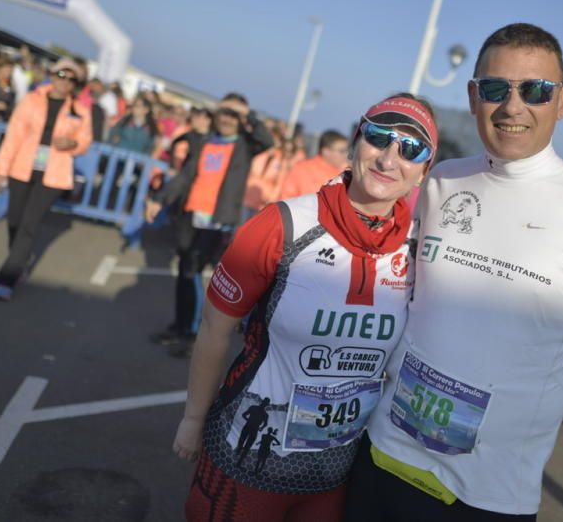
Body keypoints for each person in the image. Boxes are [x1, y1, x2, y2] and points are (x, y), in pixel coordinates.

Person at [345, 23, 563, 521]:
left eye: (536, 91)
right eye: (496, 88)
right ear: (475, 97)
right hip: (381, 458)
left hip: (486, 496)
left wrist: (542, 410)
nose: (513, 107)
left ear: (562, 102)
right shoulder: (442, 181)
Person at [172, 94, 439, 522]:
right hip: (248, 460)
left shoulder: (418, 249)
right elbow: (214, 329)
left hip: (334, 473)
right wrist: (192, 418)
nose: (390, 158)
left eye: (411, 149)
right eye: (379, 138)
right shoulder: (283, 224)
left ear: (424, 170)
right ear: (356, 144)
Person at [144, 93, 273, 358]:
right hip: (191, 215)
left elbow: (266, 140)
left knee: (193, 271)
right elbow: (185, 176)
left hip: (216, 222)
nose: (227, 119)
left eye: (233, 115)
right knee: (183, 271)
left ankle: (194, 335)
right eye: (224, 112)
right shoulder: (205, 142)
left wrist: (246, 114)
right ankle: (179, 327)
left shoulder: (245, 145)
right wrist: (159, 199)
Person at [0, 58, 92, 301]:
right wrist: (0, 170)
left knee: (29, 225)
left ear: (75, 84)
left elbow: (85, 141)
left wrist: (73, 143)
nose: (63, 82)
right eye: (60, 75)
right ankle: (19, 260)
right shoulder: (32, 100)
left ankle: (7, 279)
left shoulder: (80, 110)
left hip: (53, 174)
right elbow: (13, 136)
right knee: (14, 219)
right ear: (52, 75)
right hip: (22, 167)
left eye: (70, 79)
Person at [278, 129, 349, 200]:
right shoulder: (302, 169)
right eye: (341, 151)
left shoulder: (345, 175)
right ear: (326, 151)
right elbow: (286, 199)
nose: (346, 155)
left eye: (346, 151)